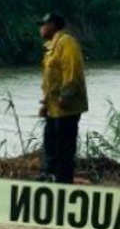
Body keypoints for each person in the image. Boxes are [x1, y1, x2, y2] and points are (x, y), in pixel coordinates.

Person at [38, 12, 88, 183]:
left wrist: (65, 96)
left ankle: (63, 180)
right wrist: (45, 103)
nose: (41, 28)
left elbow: (72, 72)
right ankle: (49, 176)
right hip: (53, 108)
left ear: (53, 25)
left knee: (64, 147)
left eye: (43, 24)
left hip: (66, 107)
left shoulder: (67, 42)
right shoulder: (51, 46)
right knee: (50, 144)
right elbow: (49, 80)